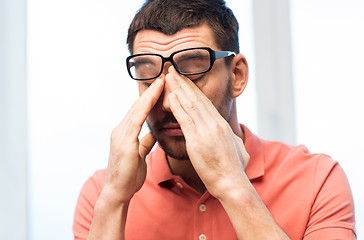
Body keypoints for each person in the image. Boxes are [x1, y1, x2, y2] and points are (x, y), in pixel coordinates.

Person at [73, 0, 356, 239]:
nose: (169, 102)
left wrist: (233, 185)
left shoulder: (317, 179)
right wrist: (113, 203)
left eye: (193, 72)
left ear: (237, 76)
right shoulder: (102, 193)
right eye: (149, 74)